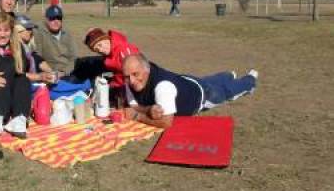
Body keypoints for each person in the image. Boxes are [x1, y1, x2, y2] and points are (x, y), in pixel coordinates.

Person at [122, 53, 258, 128]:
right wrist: (149, 109)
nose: (131, 81)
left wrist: (137, 116)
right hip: (185, 81)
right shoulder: (129, 80)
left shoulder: (163, 86)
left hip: (201, 96)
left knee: (227, 91)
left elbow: (166, 122)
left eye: (136, 74)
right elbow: (134, 105)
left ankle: (250, 80)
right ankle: (228, 75)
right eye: (127, 76)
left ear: (147, 70)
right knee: (208, 81)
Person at [84, 27, 139, 105]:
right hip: (122, 88)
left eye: (100, 45)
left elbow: (134, 76)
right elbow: (118, 76)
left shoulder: (124, 50)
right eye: (96, 49)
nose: (100, 50)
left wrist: (110, 89)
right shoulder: (110, 55)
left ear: (106, 39)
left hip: (134, 91)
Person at [34, 4, 77, 78]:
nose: (56, 21)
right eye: (52, 18)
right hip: (49, 73)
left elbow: (74, 57)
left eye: (59, 18)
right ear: (46, 19)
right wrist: (51, 73)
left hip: (68, 72)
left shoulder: (66, 33)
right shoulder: (39, 32)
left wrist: (65, 72)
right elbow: (38, 58)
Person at [15, 14, 55, 84]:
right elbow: (16, 75)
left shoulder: (31, 54)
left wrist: (52, 74)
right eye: (27, 29)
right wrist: (40, 76)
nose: (30, 31)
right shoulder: (13, 53)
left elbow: (39, 62)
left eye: (31, 29)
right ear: (17, 30)